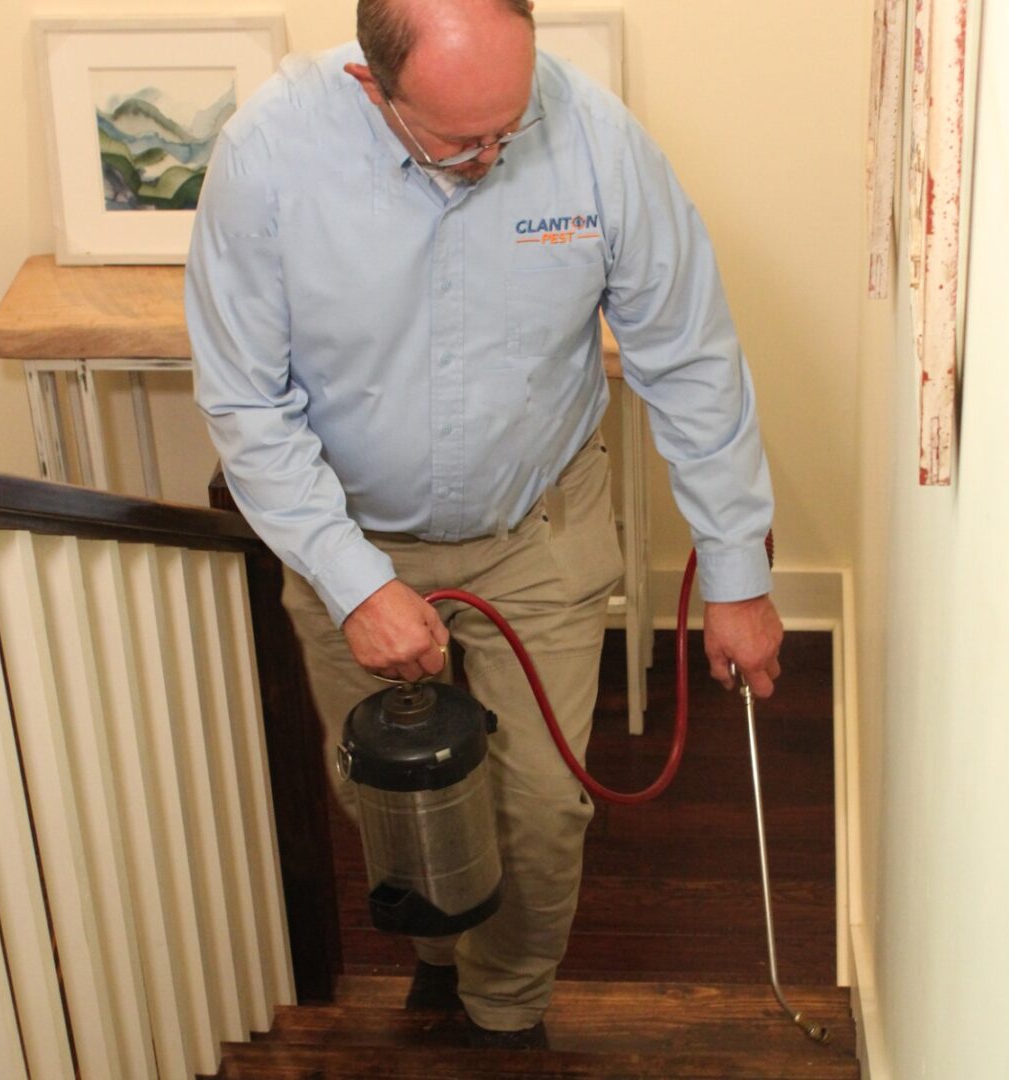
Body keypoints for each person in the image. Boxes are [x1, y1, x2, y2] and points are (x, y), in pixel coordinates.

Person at [186, 0, 783, 1050]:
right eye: (465, 139)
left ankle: (505, 1011)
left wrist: (736, 573)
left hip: (537, 526)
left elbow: (688, 359)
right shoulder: (269, 155)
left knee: (543, 812)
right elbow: (246, 404)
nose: (500, 153)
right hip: (354, 540)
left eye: (515, 121)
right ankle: (436, 952)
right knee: (385, 790)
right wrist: (354, 582)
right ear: (374, 88)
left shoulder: (597, 138)